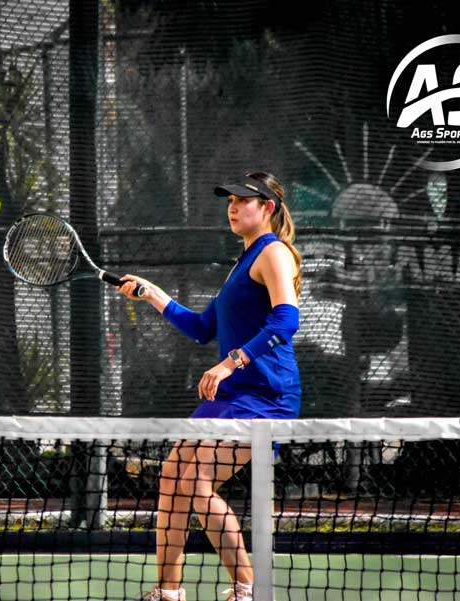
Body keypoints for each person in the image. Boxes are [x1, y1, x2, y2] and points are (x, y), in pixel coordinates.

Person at [116, 171, 302, 601]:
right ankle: (168, 592)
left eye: (243, 200)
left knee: (196, 479)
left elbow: (286, 320)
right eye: (229, 201)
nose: (233, 207)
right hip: (233, 394)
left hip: (266, 395)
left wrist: (230, 363)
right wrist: (153, 295)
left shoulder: (273, 254)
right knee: (172, 476)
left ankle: (246, 589)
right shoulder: (241, 263)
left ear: (268, 208)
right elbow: (203, 328)